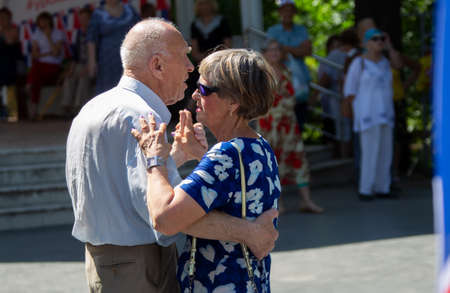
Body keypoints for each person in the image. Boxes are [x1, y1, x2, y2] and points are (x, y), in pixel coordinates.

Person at [66, 18, 278, 293]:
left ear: (233, 102)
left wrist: (173, 159)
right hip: (139, 266)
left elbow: (131, 189)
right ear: (157, 65)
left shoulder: (96, 107)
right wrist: (249, 232)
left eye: (204, 89)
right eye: (185, 56)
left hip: (111, 263)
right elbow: (163, 216)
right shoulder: (142, 117)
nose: (190, 69)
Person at [132, 47, 280, 292]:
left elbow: (165, 219)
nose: (194, 95)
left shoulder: (225, 155)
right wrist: (199, 156)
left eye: (204, 89)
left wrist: (154, 158)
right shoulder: (259, 147)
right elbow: (233, 192)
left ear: (233, 101)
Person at [258, 39, 323, 214]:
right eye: (270, 50)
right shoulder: (261, 74)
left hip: (288, 122)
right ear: (264, 53)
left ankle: (306, 200)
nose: (274, 53)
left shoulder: (287, 70)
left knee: (298, 157)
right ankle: (278, 202)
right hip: (269, 123)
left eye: (277, 50)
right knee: (273, 160)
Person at [343, 28, 395, 201]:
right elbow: (349, 91)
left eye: (381, 38)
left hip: (386, 114)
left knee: (385, 152)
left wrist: (390, 47)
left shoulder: (386, 62)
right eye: (375, 39)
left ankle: (383, 187)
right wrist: (357, 112)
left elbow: (399, 65)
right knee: (369, 152)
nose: (379, 41)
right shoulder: (359, 63)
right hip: (368, 115)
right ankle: (365, 189)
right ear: (366, 43)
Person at [181, 0, 232, 120]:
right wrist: (205, 61)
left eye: (207, 3)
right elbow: (194, 50)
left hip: (220, 62)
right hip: (202, 63)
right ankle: (189, 115)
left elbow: (227, 45)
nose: (204, 6)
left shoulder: (222, 22)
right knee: (194, 83)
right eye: (201, 3)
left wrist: (215, 59)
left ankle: (221, 114)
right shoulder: (195, 24)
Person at [266, 0, 312, 132]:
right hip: (280, 81)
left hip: (299, 83)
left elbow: (307, 51)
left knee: (299, 121)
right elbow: (272, 53)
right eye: (284, 9)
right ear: (280, 12)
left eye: (290, 9)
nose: (287, 13)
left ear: (294, 12)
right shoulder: (272, 30)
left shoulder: (301, 30)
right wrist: (296, 50)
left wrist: (285, 48)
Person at [317, 30, 360, 158]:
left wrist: (315, 94)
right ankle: (347, 155)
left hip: (341, 97)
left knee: (343, 127)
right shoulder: (358, 55)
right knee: (345, 127)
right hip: (348, 98)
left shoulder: (342, 55)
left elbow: (327, 77)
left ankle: (345, 155)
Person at [87, 0, 140, 95]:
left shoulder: (130, 10)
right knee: (108, 91)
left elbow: (140, 30)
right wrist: (92, 62)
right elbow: (91, 39)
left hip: (130, 57)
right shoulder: (98, 13)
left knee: (130, 88)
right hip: (107, 61)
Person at [27, 11, 66, 120]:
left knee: (35, 75)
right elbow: (34, 54)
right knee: (36, 76)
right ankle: (33, 107)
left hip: (53, 65)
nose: (42, 23)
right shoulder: (36, 34)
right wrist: (48, 53)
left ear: (49, 21)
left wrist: (49, 37)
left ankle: (33, 105)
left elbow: (56, 53)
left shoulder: (58, 33)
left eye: (45, 20)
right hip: (40, 65)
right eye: (40, 21)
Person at [61, 7, 93, 117]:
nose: (83, 21)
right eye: (81, 19)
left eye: (85, 19)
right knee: (69, 76)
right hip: (80, 64)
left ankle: (78, 107)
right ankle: (66, 106)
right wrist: (71, 69)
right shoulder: (77, 34)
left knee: (83, 77)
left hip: (92, 64)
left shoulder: (94, 33)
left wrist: (89, 67)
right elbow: (74, 55)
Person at [0, 7, 21, 122]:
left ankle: (12, 114)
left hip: (10, 65)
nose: (2, 20)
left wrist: (2, 30)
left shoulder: (13, 30)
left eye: (4, 18)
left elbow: (9, 42)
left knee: (9, 86)